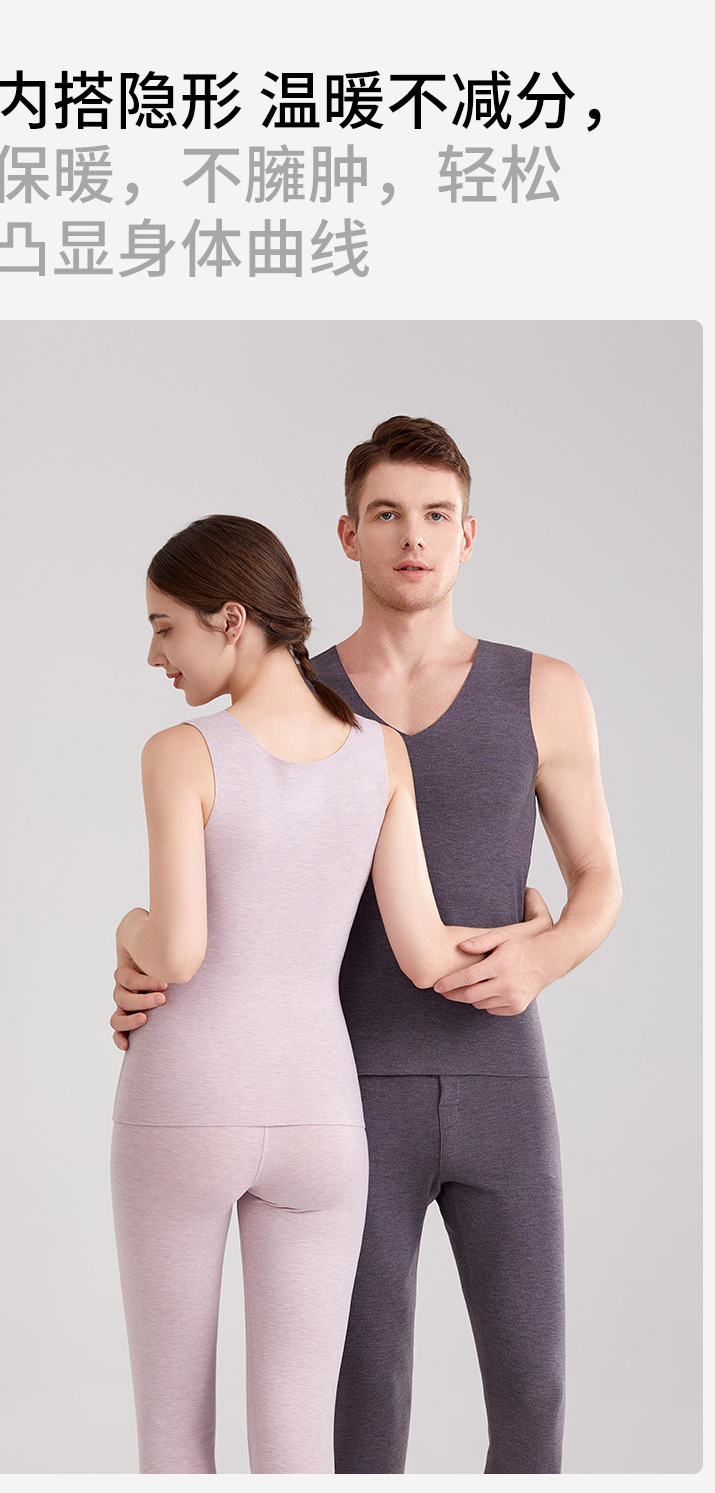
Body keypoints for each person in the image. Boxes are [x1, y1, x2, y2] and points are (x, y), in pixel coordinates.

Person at [112, 417, 621, 1475]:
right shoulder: (317, 705)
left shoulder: (541, 688)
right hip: (347, 1081)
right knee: (357, 1403)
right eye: (386, 513)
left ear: (468, 533)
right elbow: (267, 903)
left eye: (436, 514)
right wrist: (136, 959)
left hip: (493, 1080)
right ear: (347, 534)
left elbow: (599, 881)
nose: (412, 536)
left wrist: (546, 952)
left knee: (532, 1390)